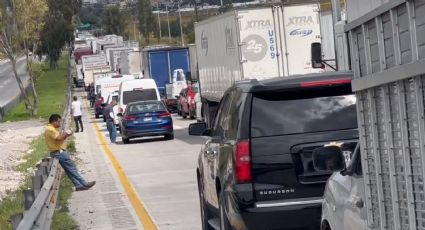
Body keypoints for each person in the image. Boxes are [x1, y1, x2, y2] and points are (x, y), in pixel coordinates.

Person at [45, 114, 95, 191]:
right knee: (72, 168)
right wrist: (67, 133)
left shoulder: (50, 128)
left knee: (69, 170)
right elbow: (59, 138)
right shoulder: (50, 130)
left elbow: (60, 138)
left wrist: (66, 134)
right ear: (54, 121)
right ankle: (84, 183)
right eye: (58, 121)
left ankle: (78, 185)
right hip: (59, 152)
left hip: (57, 152)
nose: (60, 123)